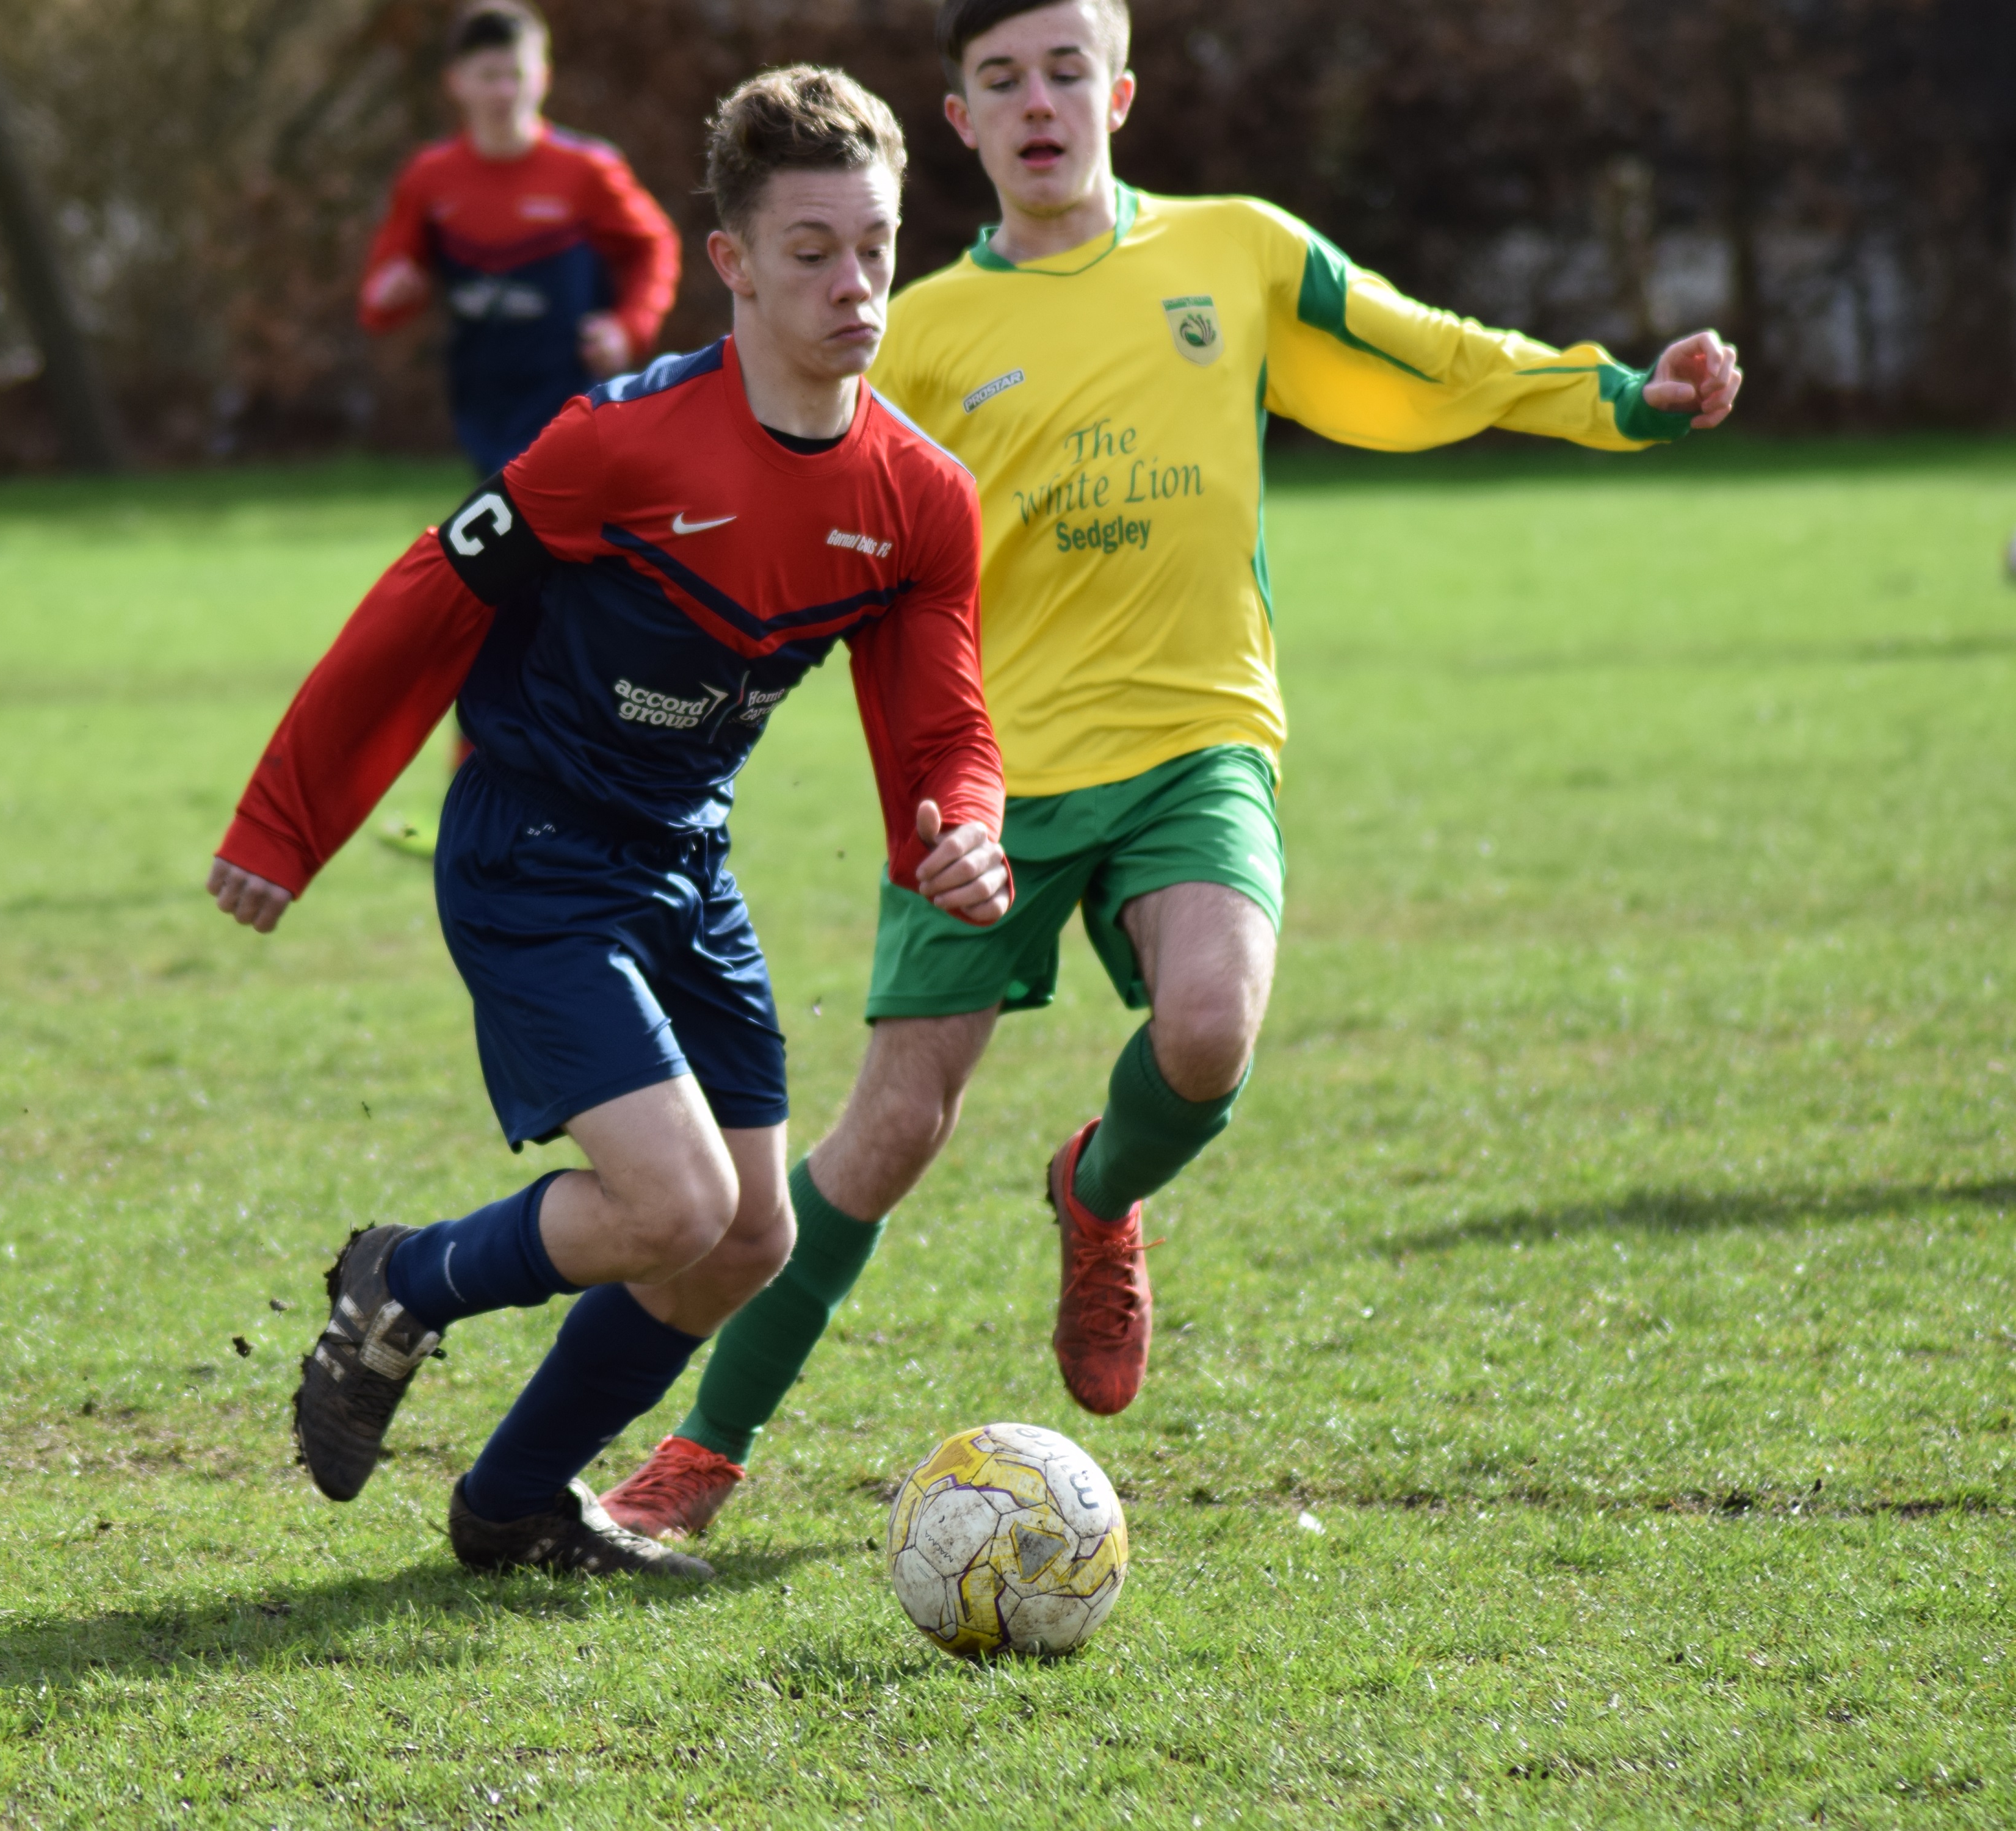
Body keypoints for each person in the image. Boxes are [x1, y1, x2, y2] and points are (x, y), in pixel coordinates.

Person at [604, 0, 1744, 1542]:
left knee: (1206, 1029)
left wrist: (1616, 397)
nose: (1035, 101)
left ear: (1117, 91)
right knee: (886, 1136)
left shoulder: (1235, 251)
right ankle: (704, 1449)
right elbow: (803, 500)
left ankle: (1096, 1187)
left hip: (1195, 731)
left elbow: (1424, 357)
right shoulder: (920, 331)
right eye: (998, 79)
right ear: (956, 119)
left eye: (1063, 69)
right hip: (989, 776)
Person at [212, 67, 1010, 1579]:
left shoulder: (917, 496)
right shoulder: (614, 448)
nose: (854, 288)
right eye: (811, 252)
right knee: (672, 1196)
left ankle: (510, 1502)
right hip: (532, 847)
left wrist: (962, 824)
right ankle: (404, 1281)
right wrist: (282, 824)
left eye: (876, 249)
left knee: (747, 1238)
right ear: (728, 263)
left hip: (681, 863)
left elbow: (942, 726)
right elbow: (415, 607)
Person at [360, 0, 682, 478]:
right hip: (482, 391)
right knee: (513, 531)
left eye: (517, 73)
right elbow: (380, 297)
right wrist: (392, 293)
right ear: (457, 82)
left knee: (561, 523)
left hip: (569, 386)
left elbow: (655, 247)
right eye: (490, 75)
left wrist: (628, 327)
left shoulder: (587, 170)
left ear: (544, 76)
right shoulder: (429, 178)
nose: (505, 90)